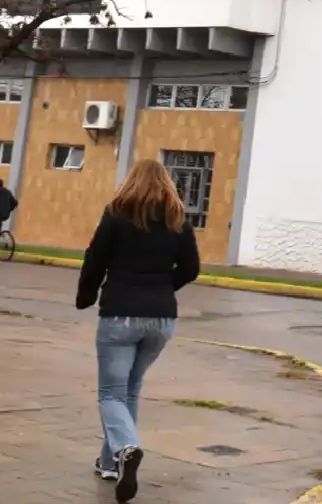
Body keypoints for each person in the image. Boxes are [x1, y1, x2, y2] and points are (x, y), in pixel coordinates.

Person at [76, 158, 200, 503]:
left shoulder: (117, 214)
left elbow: (95, 257)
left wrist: (86, 295)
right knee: (128, 391)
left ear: (131, 180)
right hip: (161, 319)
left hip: (120, 314)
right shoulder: (178, 220)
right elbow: (191, 268)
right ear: (167, 184)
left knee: (111, 394)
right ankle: (111, 463)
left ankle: (127, 448)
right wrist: (162, 289)